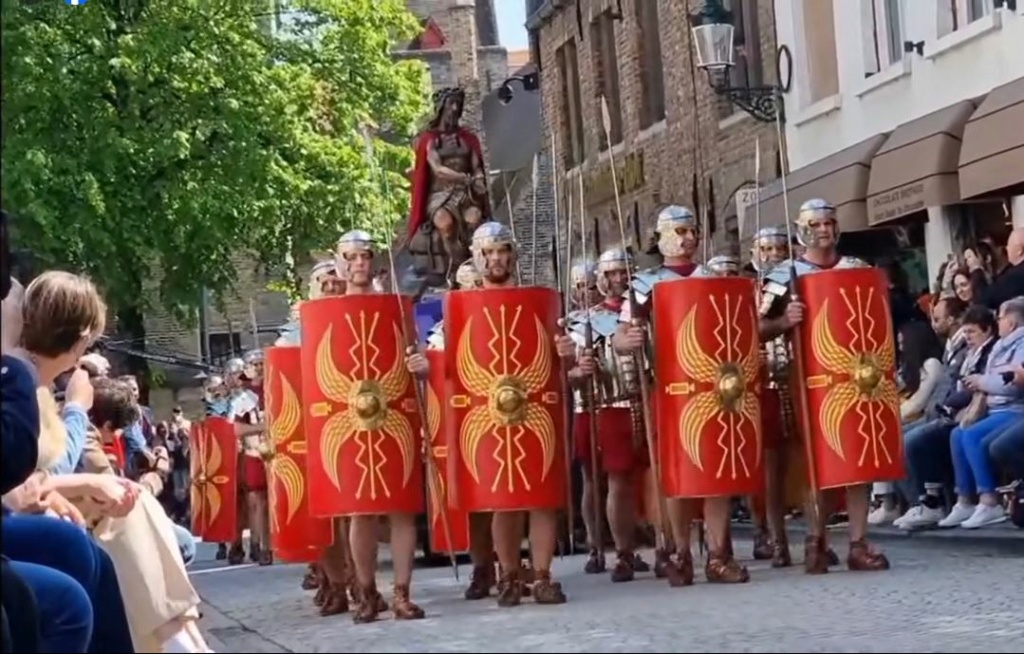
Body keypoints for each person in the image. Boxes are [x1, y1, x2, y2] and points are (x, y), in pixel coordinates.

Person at [614, 205, 749, 585]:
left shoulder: (713, 278)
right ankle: (679, 550)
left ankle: (719, 554)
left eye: (692, 230)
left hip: (714, 388)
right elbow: (621, 336)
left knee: (717, 470)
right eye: (680, 230)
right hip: (669, 389)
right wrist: (631, 339)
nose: (689, 238)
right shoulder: (644, 284)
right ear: (662, 237)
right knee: (674, 474)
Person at [447, 221, 578, 606]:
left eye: (502, 250)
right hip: (489, 414)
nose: (496, 258)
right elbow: (451, 363)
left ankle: (540, 575)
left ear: (512, 254)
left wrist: (564, 351)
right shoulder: (463, 309)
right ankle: (506, 574)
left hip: (534, 408)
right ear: (477, 256)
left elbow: (555, 359)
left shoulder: (536, 303)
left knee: (540, 496)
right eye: (488, 252)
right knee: (502, 497)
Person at [758, 198, 890, 573]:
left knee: (859, 459)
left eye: (829, 222)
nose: (824, 230)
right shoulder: (784, 275)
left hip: (856, 378)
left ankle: (858, 543)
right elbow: (754, 328)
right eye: (815, 224)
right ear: (803, 229)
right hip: (808, 376)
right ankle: (816, 540)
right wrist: (785, 321)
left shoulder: (856, 269)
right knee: (815, 461)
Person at [568, 250, 651, 581]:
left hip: (646, 401)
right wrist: (578, 370)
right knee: (604, 478)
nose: (619, 278)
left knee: (647, 478)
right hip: (607, 403)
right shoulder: (586, 320)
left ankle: (663, 544)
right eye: (612, 273)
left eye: (624, 272)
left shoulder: (645, 310)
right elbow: (569, 370)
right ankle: (612, 548)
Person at [941, 296, 1024, 529]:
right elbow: (992, 379)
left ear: (1013, 322)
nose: (997, 321)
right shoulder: (1000, 345)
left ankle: (989, 500)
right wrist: (981, 382)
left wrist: (982, 382)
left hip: (1013, 409)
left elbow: (1011, 383)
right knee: (958, 433)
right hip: (994, 407)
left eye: (1000, 317)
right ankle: (965, 499)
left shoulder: (1021, 345)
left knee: (971, 435)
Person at [406, 87, 491, 289]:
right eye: (451, 104)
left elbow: (476, 167)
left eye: (458, 105)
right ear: (441, 108)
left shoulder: (468, 139)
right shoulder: (429, 140)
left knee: (474, 220)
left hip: (465, 194)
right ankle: (455, 269)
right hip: (439, 194)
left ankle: (474, 266)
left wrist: (478, 179)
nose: (454, 109)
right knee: (445, 224)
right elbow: (438, 169)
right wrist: (462, 177)